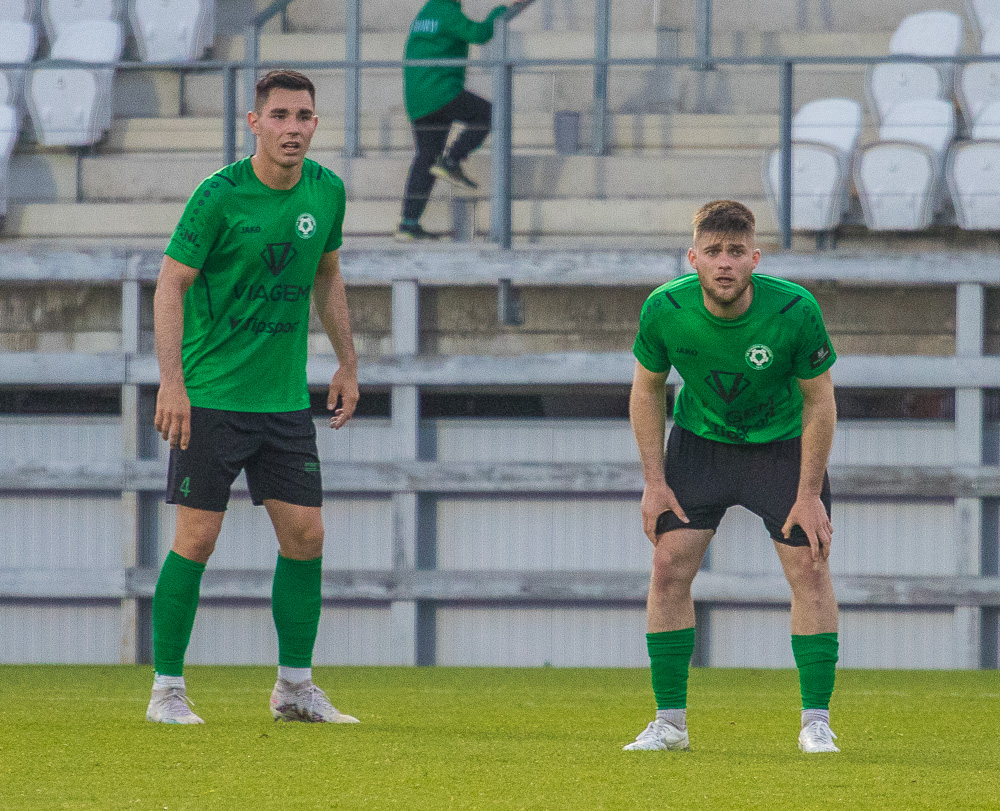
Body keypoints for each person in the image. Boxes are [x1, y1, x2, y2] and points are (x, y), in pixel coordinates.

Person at [147, 69, 361, 725]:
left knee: (306, 534)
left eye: (304, 116)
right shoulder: (219, 195)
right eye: (280, 116)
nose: (293, 128)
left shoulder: (327, 191)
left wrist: (347, 362)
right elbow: (170, 284)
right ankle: (166, 690)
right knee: (197, 538)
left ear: (315, 123)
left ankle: (294, 688)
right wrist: (173, 382)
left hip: (282, 401)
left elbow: (327, 273)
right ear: (255, 122)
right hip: (212, 395)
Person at [624, 200, 840, 754]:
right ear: (693, 258)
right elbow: (646, 389)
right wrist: (654, 481)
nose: (725, 263)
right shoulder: (664, 308)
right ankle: (669, 723)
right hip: (701, 446)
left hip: (781, 449)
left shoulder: (794, 309)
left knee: (810, 570)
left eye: (736, 252)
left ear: (755, 259)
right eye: (714, 251)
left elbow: (820, 401)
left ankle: (816, 723)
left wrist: (809, 493)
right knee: (667, 568)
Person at [395, 0, 526, 241]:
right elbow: (479, 34)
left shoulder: (427, 12)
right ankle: (453, 160)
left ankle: (408, 224)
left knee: (427, 157)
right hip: (441, 91)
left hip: (418, 97)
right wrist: (501, 11)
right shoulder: (447, 11)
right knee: (490, 113)